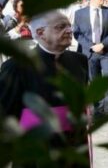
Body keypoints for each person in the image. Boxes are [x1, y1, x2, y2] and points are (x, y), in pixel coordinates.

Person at [0, 11, 89, 164]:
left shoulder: (80, 60)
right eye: (61, 27)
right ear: (41, 33)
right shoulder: (16, 67)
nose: (69, 30)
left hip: (75, 148)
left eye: (69, 26)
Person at [72, 0, 108, 115]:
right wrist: (91, 46)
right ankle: (98, 111)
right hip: (90, 53)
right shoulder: (80, 13)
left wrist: (103, 44)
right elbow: (77, 33)